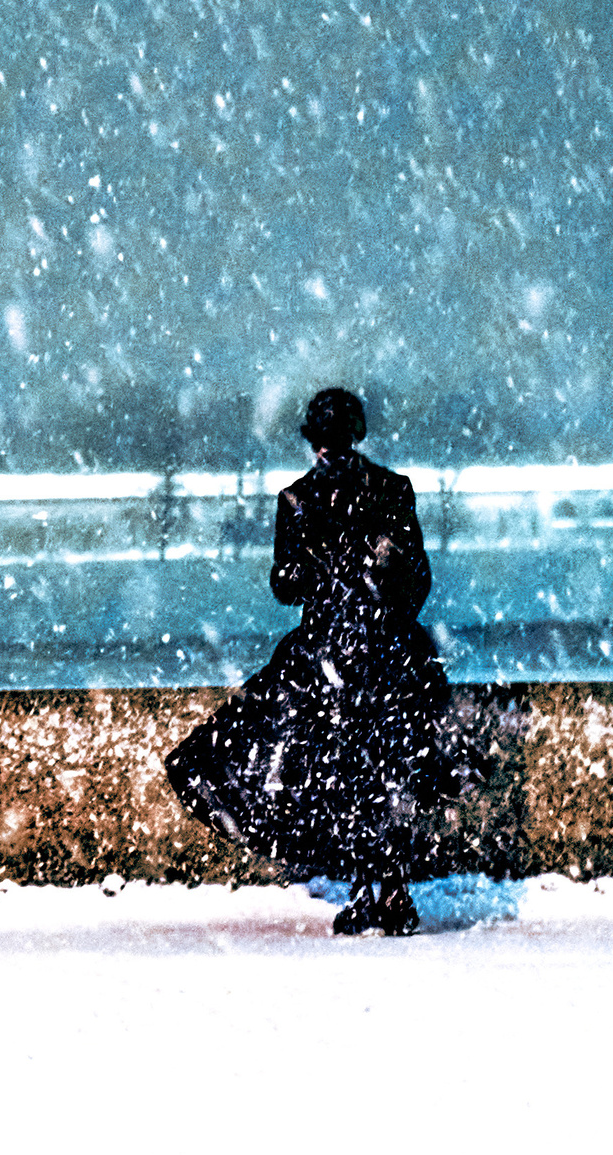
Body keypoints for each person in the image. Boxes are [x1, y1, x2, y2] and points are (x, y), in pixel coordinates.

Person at [166, 386, 454, 936]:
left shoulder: (300, 498)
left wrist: (325, 581)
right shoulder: (388, 490)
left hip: (333, 652)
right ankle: (387, 890)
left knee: (340, 773)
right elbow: (415, 580)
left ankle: (378, 890)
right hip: (381, 651)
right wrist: (377, 597)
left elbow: (285, 585)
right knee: (383, 770)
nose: (331, 451)